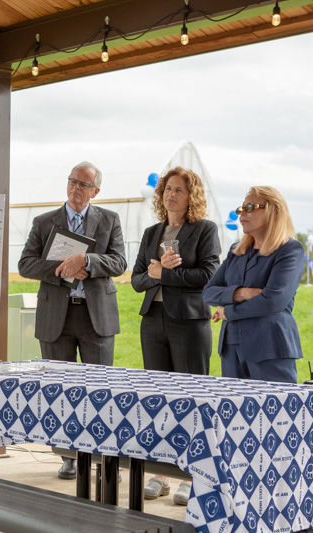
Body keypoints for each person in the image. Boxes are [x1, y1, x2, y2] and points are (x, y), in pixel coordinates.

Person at [18, 161, 127, 479]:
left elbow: (119, 261)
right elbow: (26, 264)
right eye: (72, 182)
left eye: (83, 184)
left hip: (97, 318)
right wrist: (62, 268)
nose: (76, 188)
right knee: (61, 392)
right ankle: (68, 456)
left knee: (99, 391)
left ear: (96, 191)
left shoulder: (109, 220)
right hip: (57, 318)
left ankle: (105, 459)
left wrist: (88, 261)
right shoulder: (43, 222)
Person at [130, 167, 221, 504]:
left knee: (192, 402)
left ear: (191, 196)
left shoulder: (205, 230)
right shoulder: (152, 232)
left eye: (179, 190)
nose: (171, 194)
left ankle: (193, 477)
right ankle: (160, 473)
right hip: (152, 321)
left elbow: (209, 274)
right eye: (168, 189)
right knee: (160, 402)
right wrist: (156, 273)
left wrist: (165, 273)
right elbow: (138, 279)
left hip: (189, 323)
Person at [203, 186, 305, 384]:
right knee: (234, 412)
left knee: (275, 412)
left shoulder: (290, 250)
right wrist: (242, 293)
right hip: (231, 348)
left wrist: (228, 312)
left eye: (251, 207)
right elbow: (209, 292)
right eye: (241, 209)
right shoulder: (236, 250)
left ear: (274, 210)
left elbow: (273, 301)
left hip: (270, 348)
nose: (242, 215)